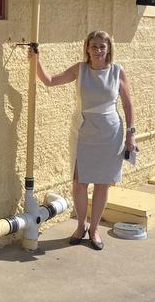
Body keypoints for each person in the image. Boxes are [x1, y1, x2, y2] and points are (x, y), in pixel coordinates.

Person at [27, 30, 135, 250]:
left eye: (102, 46)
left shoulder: (117, 71)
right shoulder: (80, 69)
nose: (97, 50)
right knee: (79, 182)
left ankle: (94, 229)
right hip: (83, 131)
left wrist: (131, 134)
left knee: (102, 183)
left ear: (108, 49)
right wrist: (36, 60)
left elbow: (127, 104)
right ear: (87, 48)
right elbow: (49, 81)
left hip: (110, 133)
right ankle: (81, 225)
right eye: (93, 46)